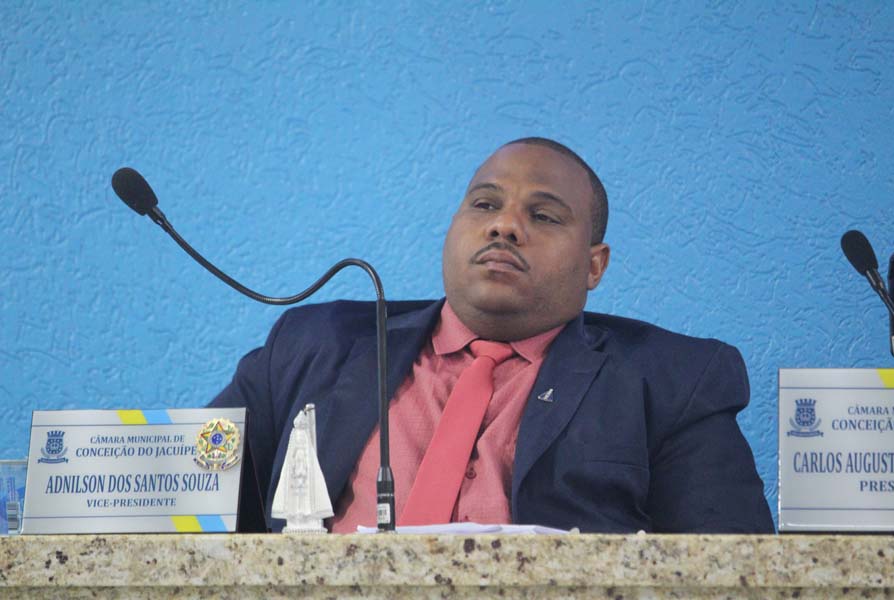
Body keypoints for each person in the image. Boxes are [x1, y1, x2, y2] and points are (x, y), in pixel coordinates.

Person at [210, 137, 774, 533]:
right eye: (484, 204)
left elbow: (736, 572)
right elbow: (184, 501)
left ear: (594, 266)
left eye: (544, 216)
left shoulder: (671, 382)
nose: (504, 226)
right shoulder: (313, 346)